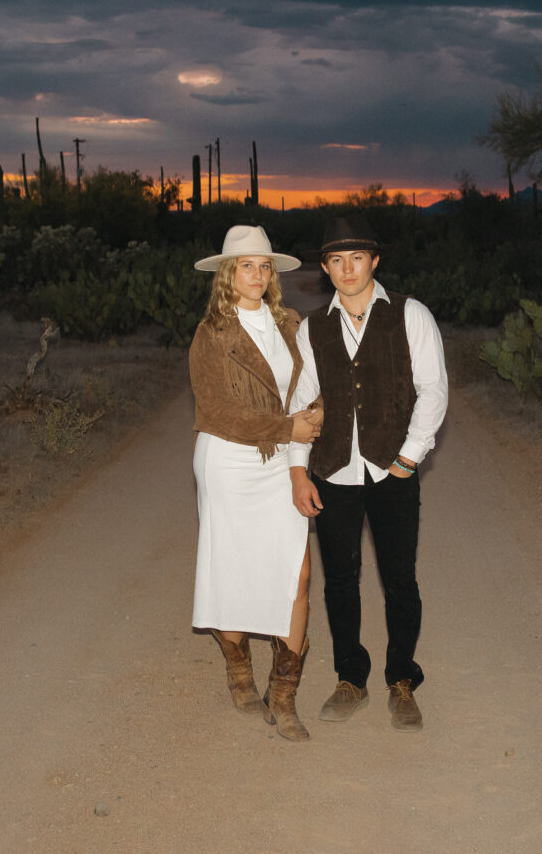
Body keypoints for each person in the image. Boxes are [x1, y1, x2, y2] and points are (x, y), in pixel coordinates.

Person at [289, 214, 448, 731]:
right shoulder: (313, 327)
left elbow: (434, 390)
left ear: (375, 261)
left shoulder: (409, 314)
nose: (347, 269)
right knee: (340, 581)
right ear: (325, 269)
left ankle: (401, 678)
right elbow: (300, 403)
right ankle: (350, 678)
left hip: (392, 471)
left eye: (357, 258)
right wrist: (299, 471)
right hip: (334, 472)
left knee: (400, 580)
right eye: (336, 260)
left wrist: (409, 456)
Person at [189, 224, 322, 742]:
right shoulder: (212, 333)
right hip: (228, 460)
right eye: (247, 265)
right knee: (231, 570)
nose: (257, 274)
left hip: (280, 463)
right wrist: (287, 426)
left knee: (299, 574)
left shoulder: (291, 324)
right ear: (228, 273)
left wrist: (311, 418)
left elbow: (310, 389)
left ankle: (284, 695)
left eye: (264, 266)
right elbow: (218, 411)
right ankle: (239, 668)